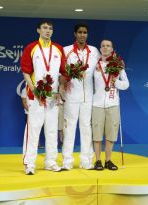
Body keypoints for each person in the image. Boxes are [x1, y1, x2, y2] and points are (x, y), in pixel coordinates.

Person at [21, 20, 65, 175]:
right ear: (38, 30)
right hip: (36, 96)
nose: (48, 30)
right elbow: (26, 71)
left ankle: (51, 162)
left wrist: (59, 90)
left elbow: (63, 73)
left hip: (53, 97)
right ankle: (29, 164)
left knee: (52, 131)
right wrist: (34, 90)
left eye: (50, 28)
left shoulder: (58, 49)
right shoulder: (31, 48)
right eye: (45, 28)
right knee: (33, 130)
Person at [61, 23, 100, 170]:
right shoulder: (67, 51)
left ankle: (86, 162)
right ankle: (67, 162)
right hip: (71, 96)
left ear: (87, 34)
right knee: (69, 129)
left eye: (85, 32)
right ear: (75, 34)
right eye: (80, 32)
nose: (82, 35)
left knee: (86, 129)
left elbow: (100, 68)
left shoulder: (94, 51)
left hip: (88, 96)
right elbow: (61, 73)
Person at [92, 40, 129, 170]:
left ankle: (108, 160)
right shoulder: (95, 65)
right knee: (96, 134)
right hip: (97, 104)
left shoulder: (118, 65)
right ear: (100, 49)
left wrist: (116, 82)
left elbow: (126, 84)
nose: (105, 48)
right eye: (103, 46)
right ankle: (97, 161)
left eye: (108, 46)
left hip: (113, 104)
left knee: (111, 134)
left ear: (112, 48)